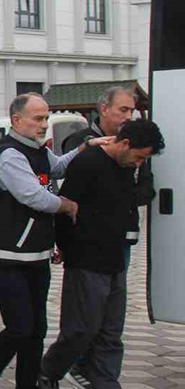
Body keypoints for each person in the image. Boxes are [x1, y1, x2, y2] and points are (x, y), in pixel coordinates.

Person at [0, 93, 113, 389]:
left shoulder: (35, 150)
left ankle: (28, 384)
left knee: (37, 330)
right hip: (5, 257)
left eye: (46, 118)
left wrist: (85, 147)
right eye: (38, 118)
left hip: (35, 256)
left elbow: (57, 167)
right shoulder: (10, 155)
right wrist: (67, 205)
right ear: (16, 120)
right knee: (20, 327)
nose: (44, 124)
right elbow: (33, 197)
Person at [38, 119, 165, 389]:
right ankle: (48, 371)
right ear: (126, 143)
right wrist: (65, 247)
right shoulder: (88, 163)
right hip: (86, 259)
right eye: (139, 157)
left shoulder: (126, 166)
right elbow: (65, 209)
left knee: (111, 331)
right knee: (81, 329)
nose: (139, 164)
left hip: (115, 258)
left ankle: (105, 381)